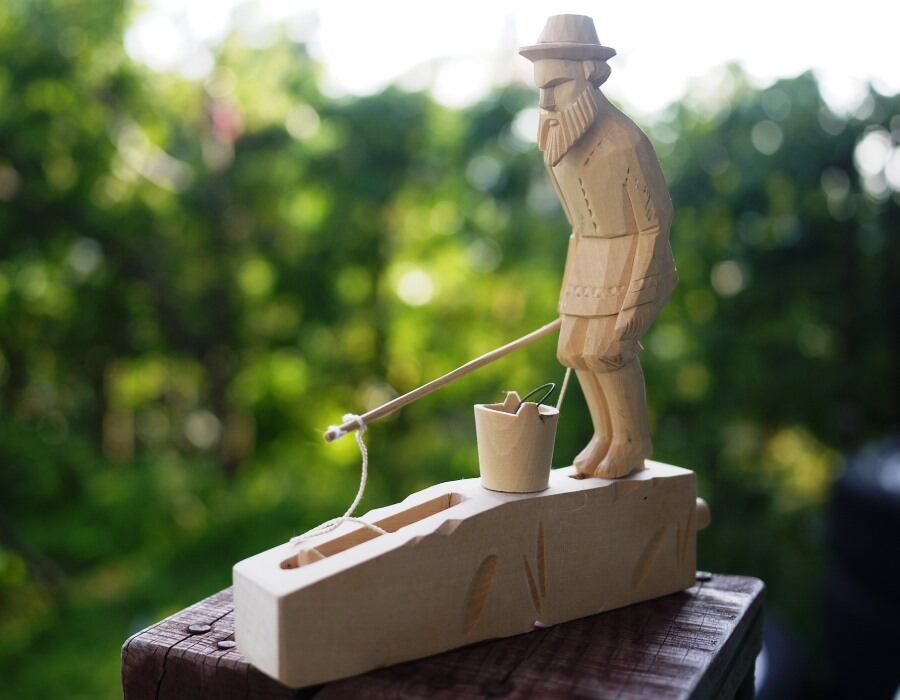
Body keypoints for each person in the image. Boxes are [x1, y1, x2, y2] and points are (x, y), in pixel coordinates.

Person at [520, 15, 678, 478]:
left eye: (557, 86)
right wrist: (570, 285)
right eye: (540, 88)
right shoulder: (554, 142)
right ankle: (605, 434)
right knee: (574, 348)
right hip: (587, 255)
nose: (546, 101)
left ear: (590, 73)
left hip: (631, 256)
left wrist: (636, 297)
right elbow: (576, 224)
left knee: (610, 348)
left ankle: (630, 439)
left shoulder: (626, 142)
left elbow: (655, 226)